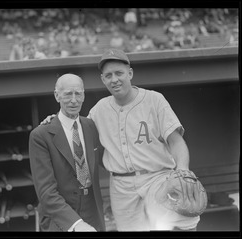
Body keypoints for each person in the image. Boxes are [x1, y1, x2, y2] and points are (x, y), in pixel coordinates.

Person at [41, 49, 201, 231]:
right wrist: (55, 121)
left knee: (180, 225)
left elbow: (175, 140)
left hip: (157, 177)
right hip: (121, 186)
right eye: (108, 75)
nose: (114, 79)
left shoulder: (154, 100)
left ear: (130, 73)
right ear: (103, 79)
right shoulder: (98, 110)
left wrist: (182, 169)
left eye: (119, 73)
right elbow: (76, 129)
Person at [29, 73, 105, 232]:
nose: (74, 100)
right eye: (68, 94)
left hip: (93, 213)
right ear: (57, 96)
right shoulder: (41, 135)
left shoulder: (91, 126)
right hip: (61, 220)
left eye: (78, 93)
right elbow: (46, 192)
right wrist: (76, 224)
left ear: (84, 95)